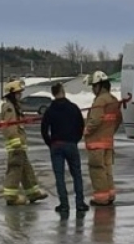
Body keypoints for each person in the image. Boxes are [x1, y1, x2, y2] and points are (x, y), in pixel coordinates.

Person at [41, 82, 89, 213]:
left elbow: (44, 129)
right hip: (71, 144)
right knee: (77, 175)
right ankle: (79, 203)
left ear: (53, 93)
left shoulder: (50, 110)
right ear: (63, 91)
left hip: (56, 145)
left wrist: (50, 143)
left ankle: (64, 204)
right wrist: (75, 139)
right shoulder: (73, 108)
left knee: (59, 176)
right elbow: (81, 125)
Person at [1, 80, 49, 206]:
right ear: (11, 94)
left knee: (26, 169)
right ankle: (11, 197)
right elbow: (10, 126)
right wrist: (16, 142)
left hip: (20, 145)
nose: (20, 96)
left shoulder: (14, 106)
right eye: (17, 94)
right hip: (16, 146)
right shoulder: (9, 107)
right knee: (15, 169)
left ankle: (33, 193)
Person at [83, 70, 123, 206]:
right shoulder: (113, 100)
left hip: (96, 144)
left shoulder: (100, 101)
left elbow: (95, 120)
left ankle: (101, 198)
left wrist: (86, 131)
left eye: (94, 86)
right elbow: (118, 120)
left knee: (97, 170)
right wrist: (110, 132)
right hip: (108, 143)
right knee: (107, 170)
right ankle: (110, 194)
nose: (93, 90)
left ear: (99, 86)